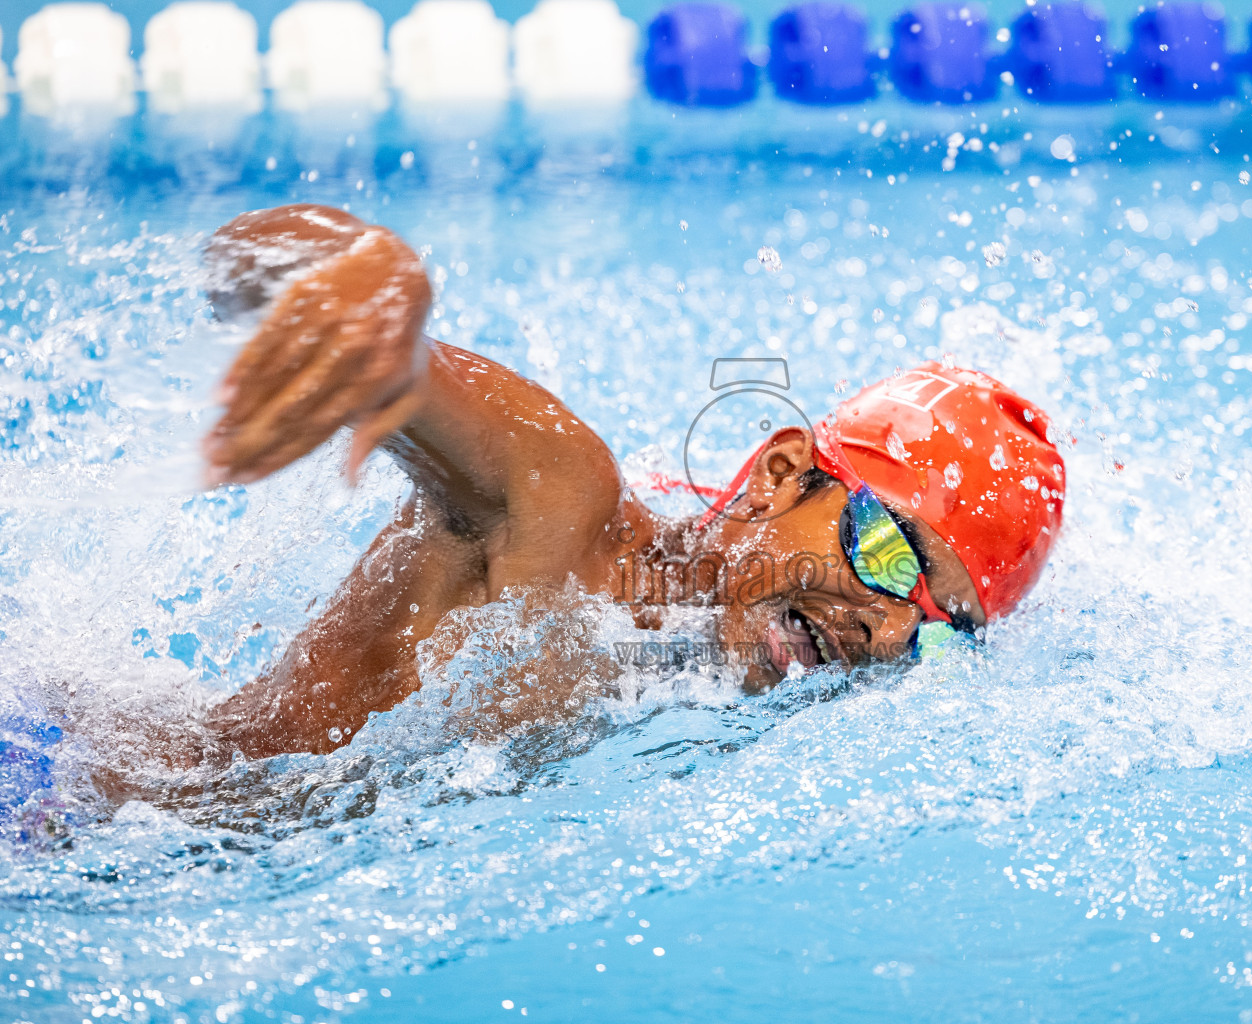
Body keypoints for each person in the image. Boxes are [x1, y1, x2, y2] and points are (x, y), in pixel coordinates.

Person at [193, 204, 1066, 762]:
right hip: (82, 814)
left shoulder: (693, 679)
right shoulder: (565, 508)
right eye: (887, 549)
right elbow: (271, 268)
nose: (885, 629)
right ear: (780, 474)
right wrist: (370, 292)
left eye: (940, 629)